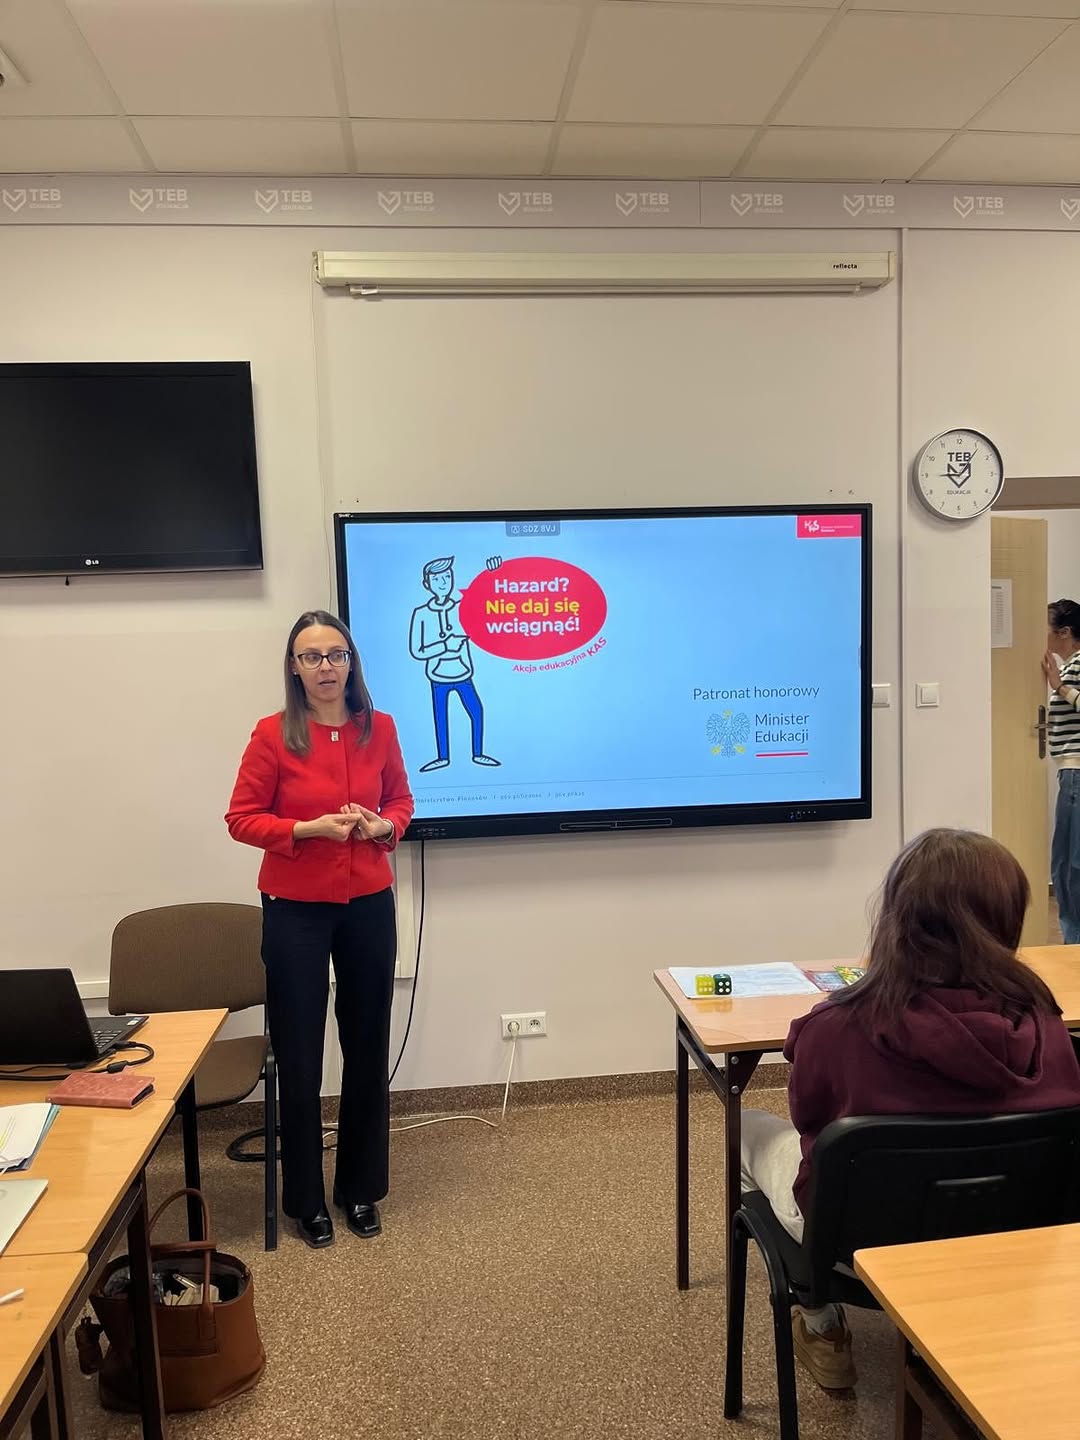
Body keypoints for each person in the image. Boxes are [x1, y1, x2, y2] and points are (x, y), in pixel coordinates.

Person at [739, 828, 1080, 1390]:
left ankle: (821, 1324)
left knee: (746, 1128)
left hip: (856, 1244)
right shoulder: (1045, 1022)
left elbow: (809, 1121)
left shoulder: (837, 1026)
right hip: (1011, 1234)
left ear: (898, 916)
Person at [226, 610, 414, 1249]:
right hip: (295, 910)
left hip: (368, 905)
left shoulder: (380, 728)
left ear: (351, 662)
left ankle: (359, 1189)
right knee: (300, 1056)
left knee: (367, 1046)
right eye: (312, 656)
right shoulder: (272, 733)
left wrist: (384, 826)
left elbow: (401, 802)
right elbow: (242, 818)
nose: (326, 666)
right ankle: (306, 1200)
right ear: (294, 667)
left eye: (336, 654)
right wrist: (305, 830)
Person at [409, 555, 499, 772]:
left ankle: (478, 754)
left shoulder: (463, 607)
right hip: (437, 676)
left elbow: (489, 607)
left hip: (463, 673)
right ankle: (442, 758)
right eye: (437, 579)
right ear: (427, 584)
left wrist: (492, 575)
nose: (444, 582)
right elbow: (417, 650)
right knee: (441, 717)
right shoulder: (421, 614)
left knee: (476, 711)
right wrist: (444, 646)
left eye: (447, 577)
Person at [1043, 599, 1080, 943]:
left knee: (1069, 865)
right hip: (1070, 773)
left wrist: (1060, 687)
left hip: (1076, 774)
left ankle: (1073, 945)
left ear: (1064, 632)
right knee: (1066, 863)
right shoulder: (1071, 665)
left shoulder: (1078, 664)